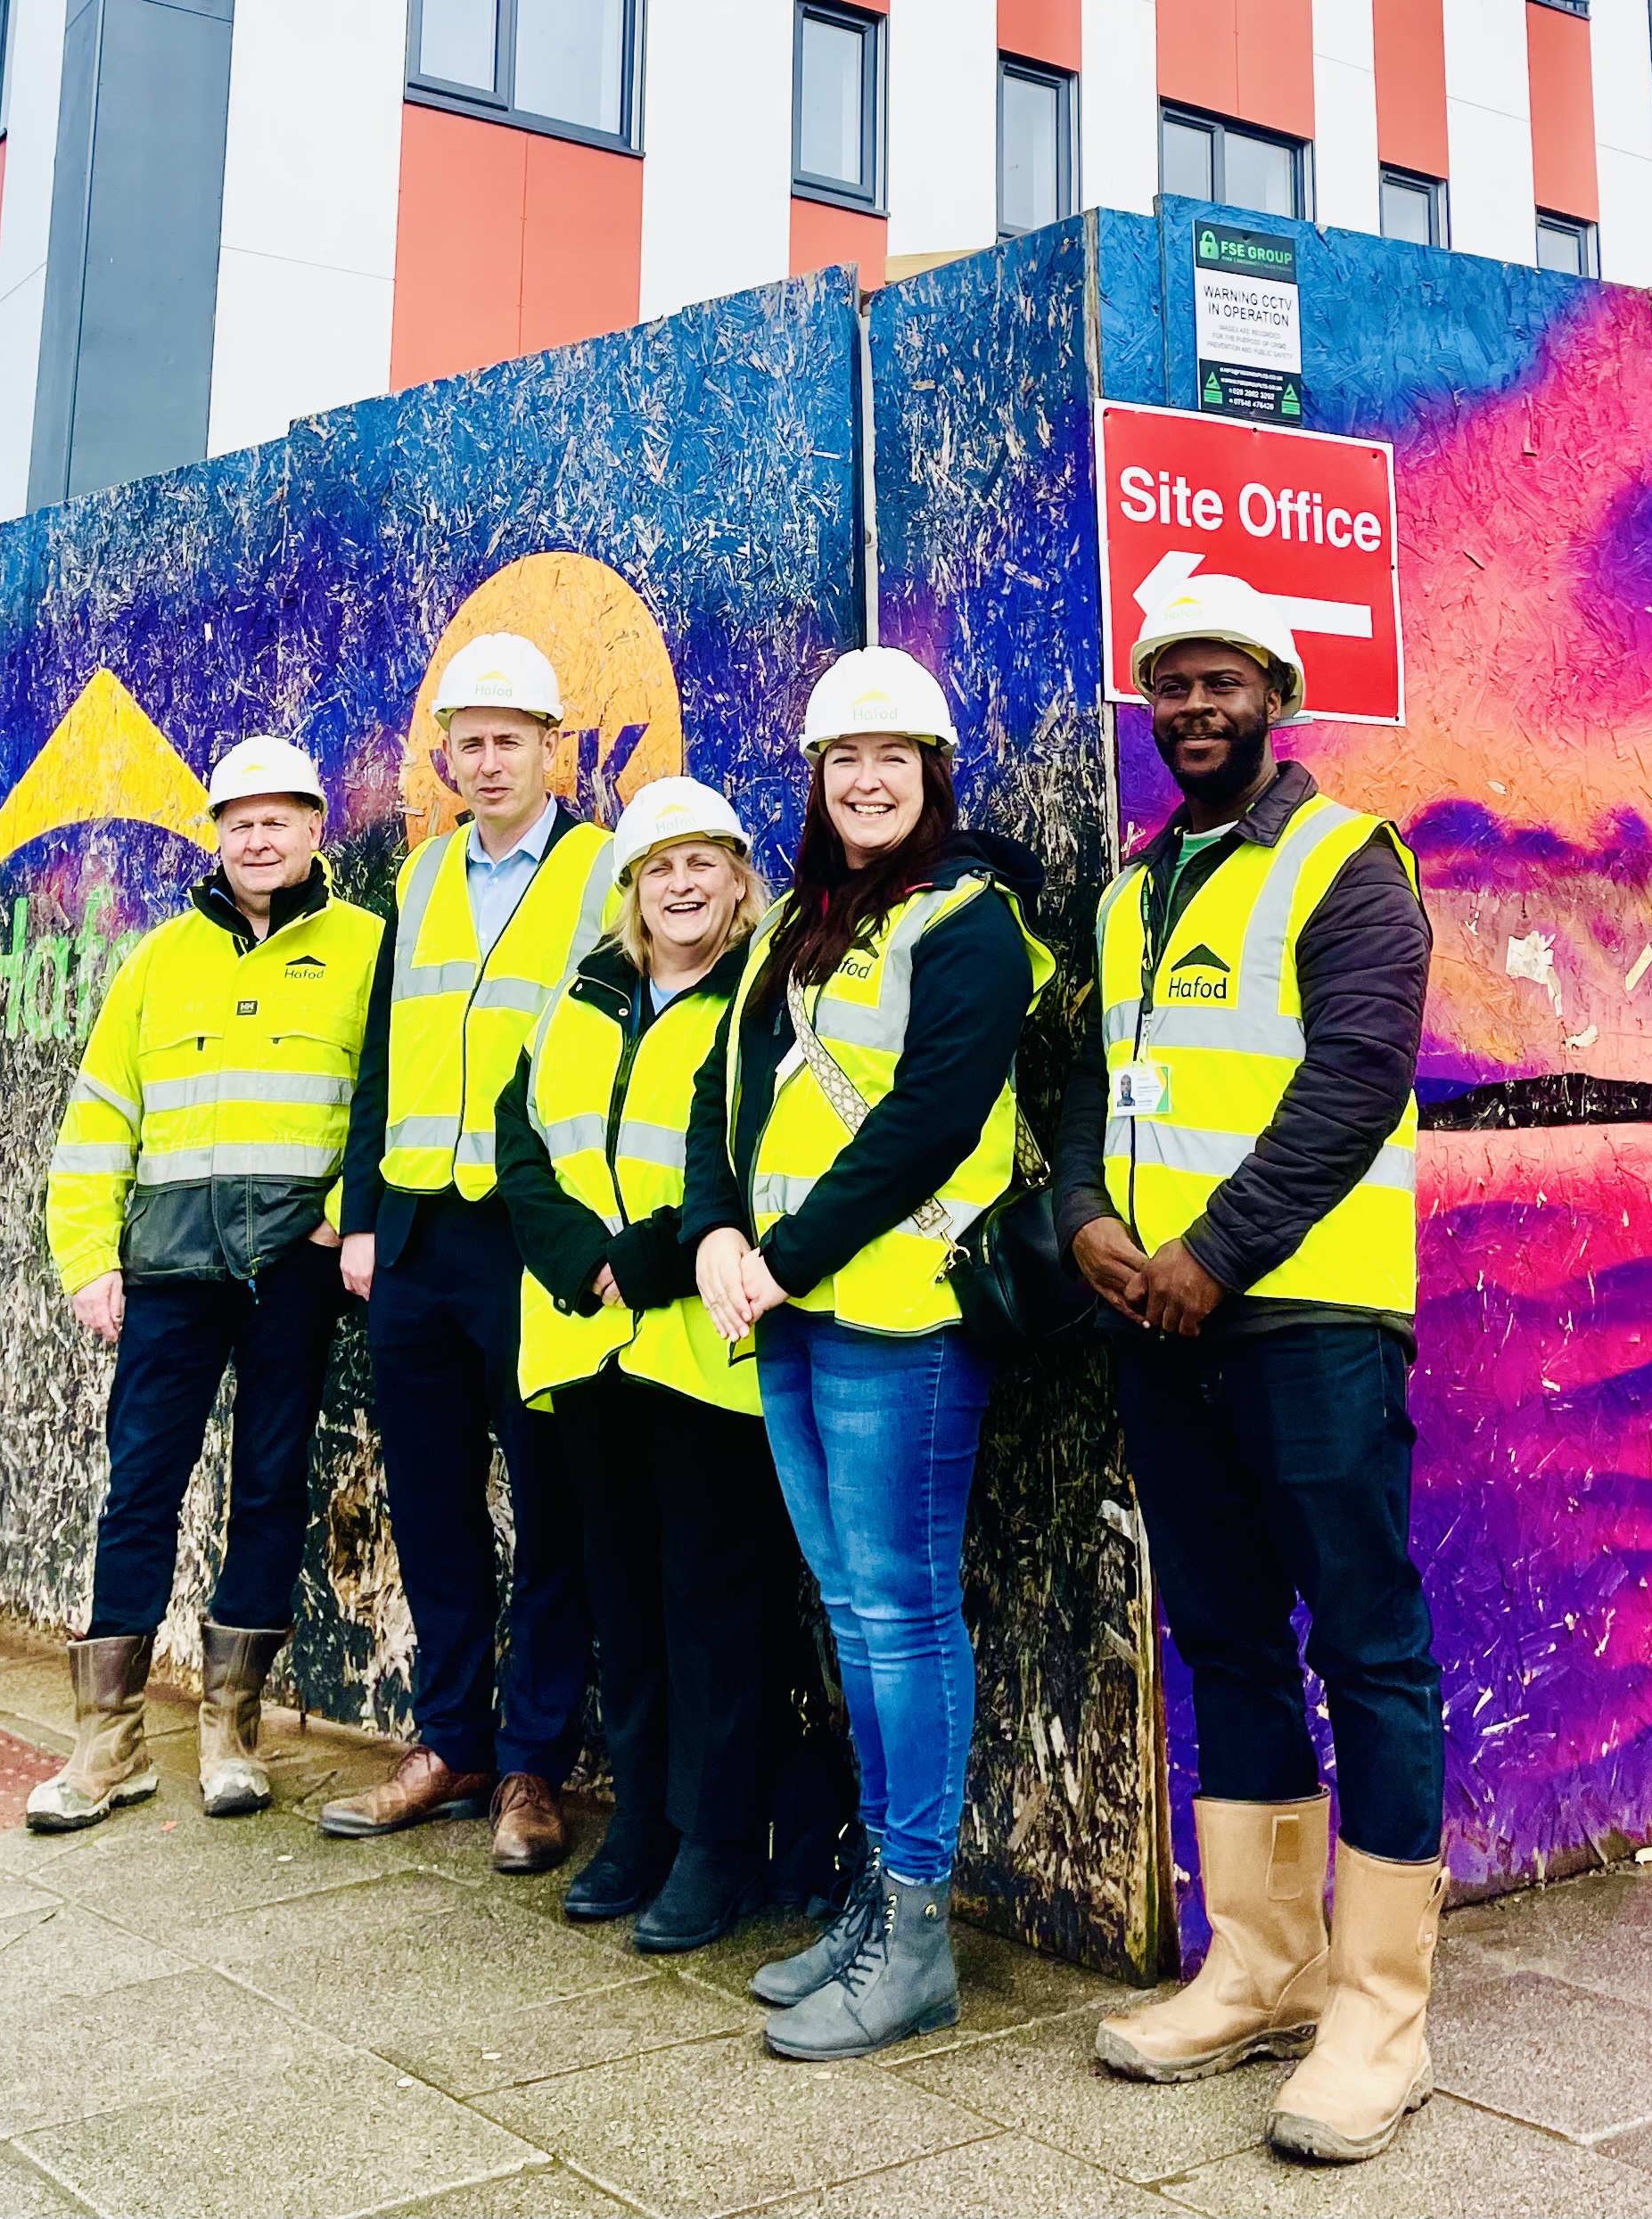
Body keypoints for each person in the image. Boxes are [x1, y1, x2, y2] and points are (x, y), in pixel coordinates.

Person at [1054, 575, 1441, 2166]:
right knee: (1218, 1630)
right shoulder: (1132, 888)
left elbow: (1355, 1074)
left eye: (1221, 680)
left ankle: (1379, 2007)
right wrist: (1083, 1215)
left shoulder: (1347, 859)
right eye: (1171, 685)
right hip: (1160, 1317)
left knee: (1363, 1637)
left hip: (1307, 1310)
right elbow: (1087, 1073)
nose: (1194, 705)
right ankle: (1263, 1962)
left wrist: (1211, 1250)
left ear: (1273, 693)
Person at [686, 645, 1054, 2061]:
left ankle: (916, 1935)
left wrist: (781, 1257)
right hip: (783, 1308)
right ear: (818, 781)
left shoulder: (969, 919)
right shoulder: (797, 921)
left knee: (903, 1612)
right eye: (845, 760)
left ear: (933, 775)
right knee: (851, 1610)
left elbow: (930, 1123)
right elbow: (735, 1097)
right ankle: (872, 1901)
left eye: (893, 758)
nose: (868, 779)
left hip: (898, 1313)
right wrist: (721, 1232)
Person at [32, 735, 382, 1832]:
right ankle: (110, 1742)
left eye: (280, 818)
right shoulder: (156, 959)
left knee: (269, 1484)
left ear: (316, 829)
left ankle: (233, 1727)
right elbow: (100, 1120)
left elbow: (390, 1092)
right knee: (138, 1486)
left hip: (292, 1268)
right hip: (170, 1271)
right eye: (240, 821)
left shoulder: (370, 948)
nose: (259, 836)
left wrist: (346, 1208)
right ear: (216, 837)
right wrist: (87, 1256)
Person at [321, 633, 620, 1874]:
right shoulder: (424, 873)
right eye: (470, 741)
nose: (488, 760)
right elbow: (384, 1047)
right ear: (443, 755)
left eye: (512, 739)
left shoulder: (606, 871)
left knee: (552, 1505)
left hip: (532, 1231)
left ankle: (534, 1768)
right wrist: (363, 1216)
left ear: (556, 749)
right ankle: (451, 1741)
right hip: (419, 1231)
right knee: (434, 1500)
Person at [494, 775, 801, 1952]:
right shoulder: (586, 992)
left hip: (703, 1347)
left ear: (738, 879)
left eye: (703, 863)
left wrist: (645, 1265)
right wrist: (581, 1261)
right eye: (658, 867)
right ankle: (642, 1824)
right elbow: (522, 1144)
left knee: (716, 1607)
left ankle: (717, 1839)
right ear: (630, 889)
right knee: (623, 1599)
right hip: (588, 1347)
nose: (681, 884)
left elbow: (765, 1159)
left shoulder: (764, 998)